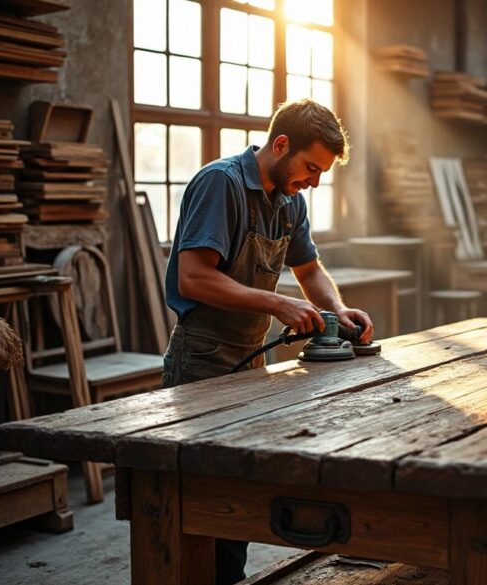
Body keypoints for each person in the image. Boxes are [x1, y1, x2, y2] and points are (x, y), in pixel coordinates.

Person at [161, 98, 374, 584]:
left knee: (235, 503)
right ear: (280, 144)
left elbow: (308, 268)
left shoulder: (289, 200)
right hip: (200, 362)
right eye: (310, 167)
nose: (314, 182)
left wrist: (337, 311)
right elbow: (194, 278)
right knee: (195, 503)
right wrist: (278, 304)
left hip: (248, 363)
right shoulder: (222, 183)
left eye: (321, 173)